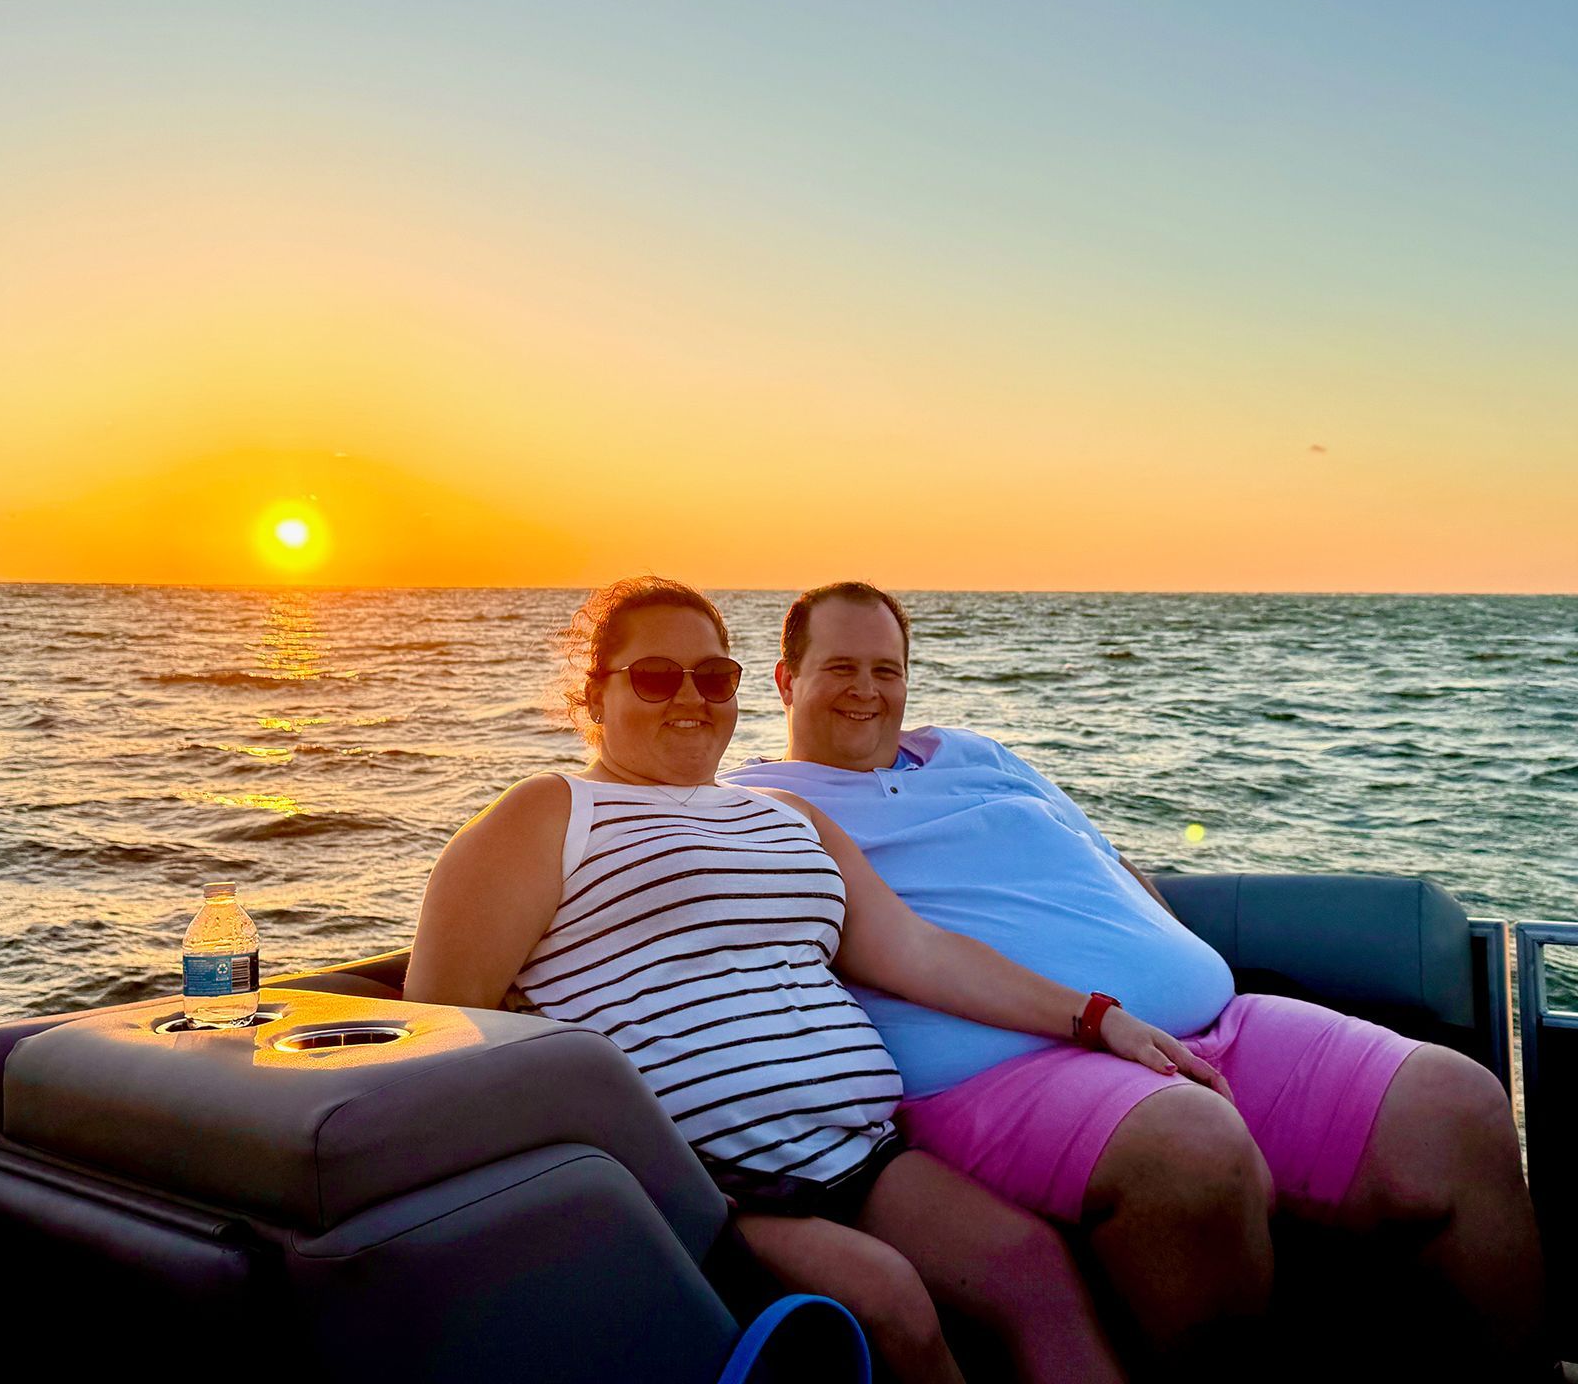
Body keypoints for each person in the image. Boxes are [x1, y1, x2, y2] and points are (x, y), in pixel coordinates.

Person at [722, 582, 1548, 1376]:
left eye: (887, 669)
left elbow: (1110, 861)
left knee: (1459, 1103)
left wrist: (1166, 956)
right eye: (840, 668)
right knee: (1190, 1152)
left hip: (1203, 1027)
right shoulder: (755, 808)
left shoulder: (977, 754)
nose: (867, 690)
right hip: (1001, 1072)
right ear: (786, 678)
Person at [403, 576, 1154, 1383]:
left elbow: (919, 951)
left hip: (861, 1153)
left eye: (714, 676)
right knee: (887, 1297)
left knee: (1034, 1268)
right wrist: (642, 1187)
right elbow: (442, 1035)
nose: (690, 698)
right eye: (657, 676)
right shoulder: (548, 814)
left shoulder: (787, 817)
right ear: (596, 694)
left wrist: (1094, 1017)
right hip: (702, 1190)